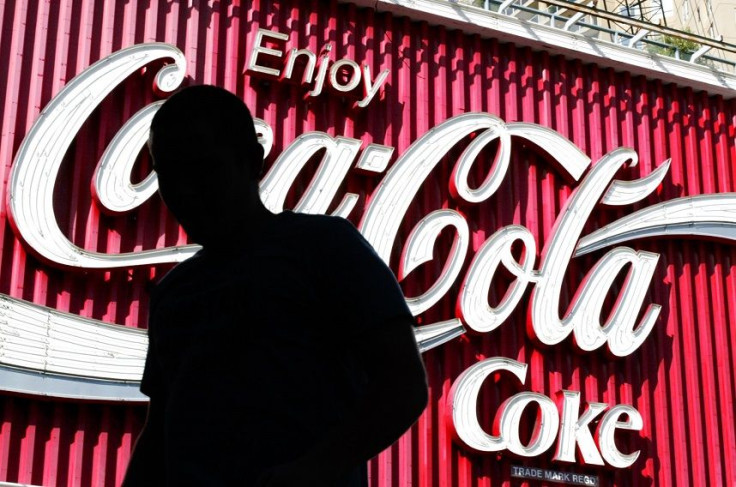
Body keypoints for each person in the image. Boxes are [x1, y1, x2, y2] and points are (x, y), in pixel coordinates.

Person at [122, 85, 428, 486]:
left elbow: (403, 384)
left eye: (202, 170)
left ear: (254, 163)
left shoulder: (325, 247)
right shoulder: (172, 293)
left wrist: (312, 470)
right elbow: (160, 432)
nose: (185, 191)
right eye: (169, 174)